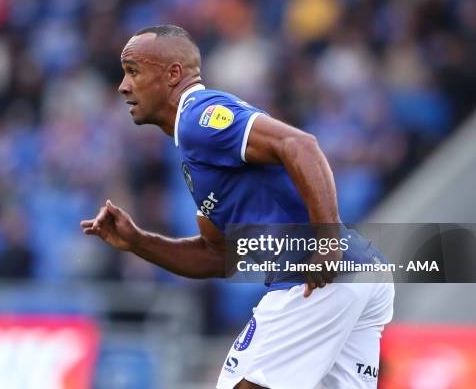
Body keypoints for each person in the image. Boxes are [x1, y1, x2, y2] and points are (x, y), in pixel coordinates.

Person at [80, 25, 394, 389]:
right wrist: (138, 242)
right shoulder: (194, 152)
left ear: (173, 74)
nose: (123, 85)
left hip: (313, 277)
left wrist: (327, 241)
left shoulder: (200, 115)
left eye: (133, 70)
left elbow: (300, 145)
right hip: (354, 276)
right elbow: (217, 255)